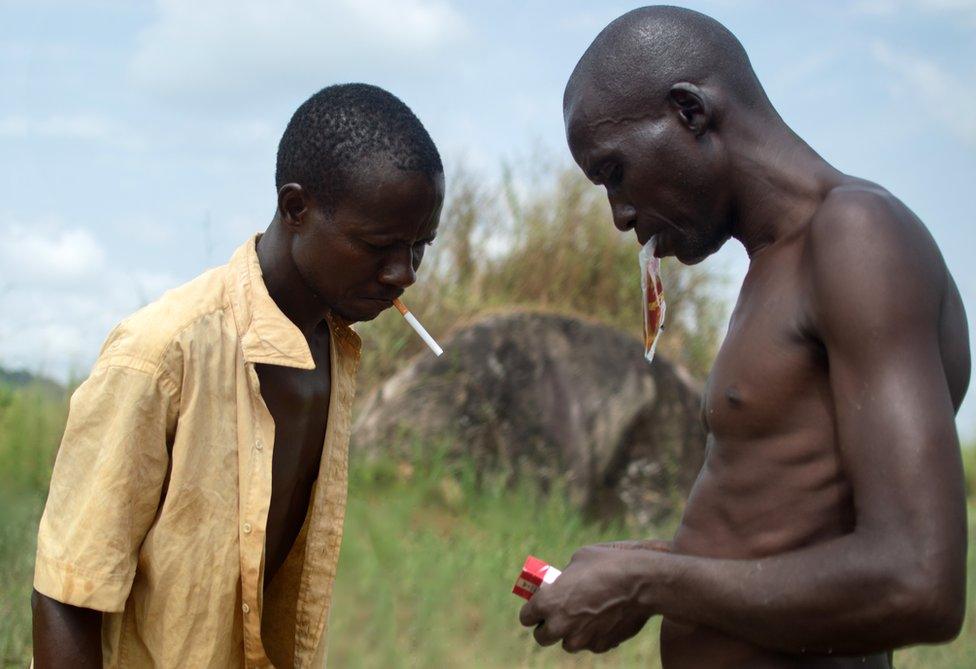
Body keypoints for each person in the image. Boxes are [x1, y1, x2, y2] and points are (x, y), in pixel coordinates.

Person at [520, 6, 970, 667]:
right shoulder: (776, 267)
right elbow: (795, 538)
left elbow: (919, 580)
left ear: (690, 113)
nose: (619, 216)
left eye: (615, 173)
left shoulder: (857, 237)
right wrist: (639, 569)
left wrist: (651, 581)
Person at [31, 83, 444, 668]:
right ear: (296, 207)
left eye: (418, 247)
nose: (404, 274)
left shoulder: (335, 347)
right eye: (379, 246)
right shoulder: (159, 355)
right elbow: (67, 594)